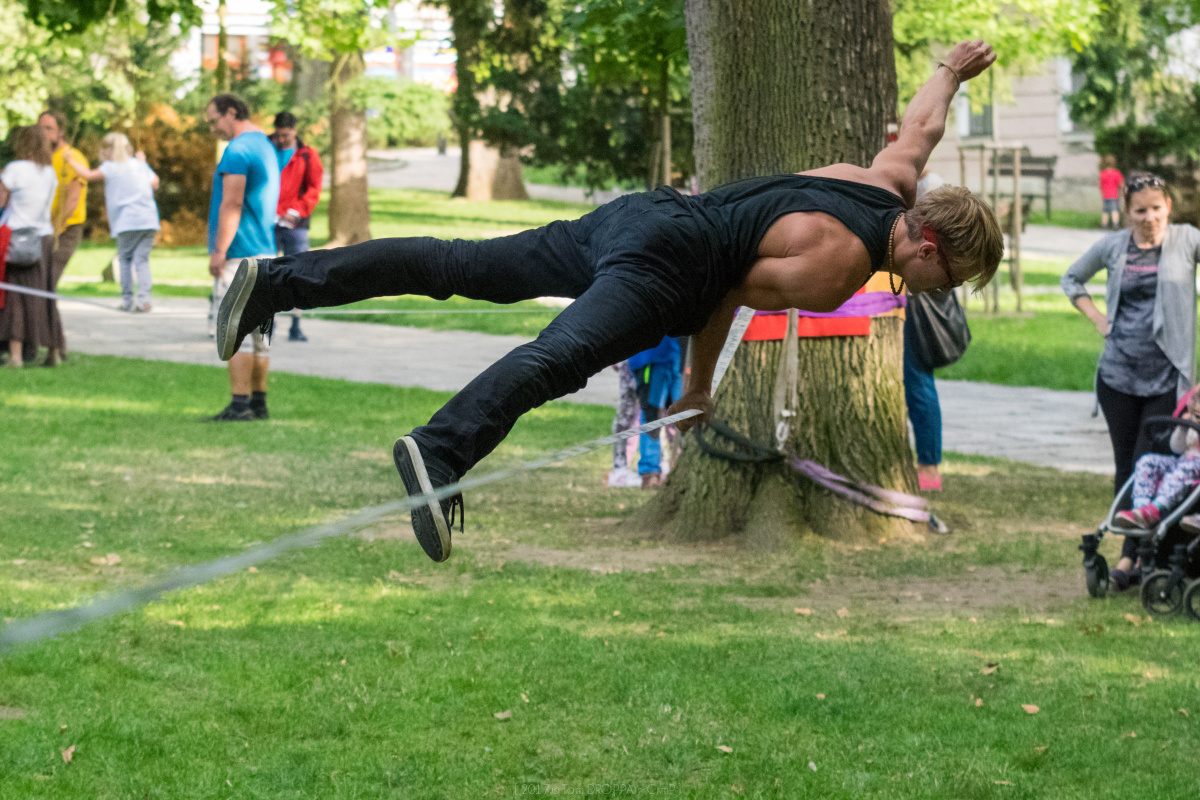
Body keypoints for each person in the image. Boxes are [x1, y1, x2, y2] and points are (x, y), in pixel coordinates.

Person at [215, 40, 1002, 563]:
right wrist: (698, 387)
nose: (942, 292)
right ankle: (441, 449)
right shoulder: (839, 268)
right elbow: (724, 296)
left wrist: (951, 71)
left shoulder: (886, 182)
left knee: (461, 263)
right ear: (930, 246)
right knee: (560, 358)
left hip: (640, 214)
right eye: (951, 278)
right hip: (667, 268)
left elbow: (920, 125)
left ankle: (275, 283)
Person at [1061, 172, 1200, 591]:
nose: (1149, 218)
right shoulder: (1114, 246)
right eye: (1140, 211)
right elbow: (1072, 278)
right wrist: (1097, 318)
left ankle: (1137, 556)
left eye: (1156, 209)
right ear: (1127, 212)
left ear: (1168, 207)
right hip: (1118, 378)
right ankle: (1133, 556)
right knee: (1127, 465)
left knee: (1148, 460)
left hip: (1166, 381)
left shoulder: (1186, 240)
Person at [205, 94, 281, 422]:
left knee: (235, 330)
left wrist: (219, 250)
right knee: (261, 334)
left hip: (239, 254)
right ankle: (259, 402)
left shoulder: (236, 150)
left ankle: (239, 405)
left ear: (231, 112)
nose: (212, 129)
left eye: (214, 121)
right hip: (266, 251)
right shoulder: (266, 146)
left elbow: (232, 203)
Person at [63, 133, 161, 312]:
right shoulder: (139, 164)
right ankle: (144, 300)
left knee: (125, 260)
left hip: (127, 221)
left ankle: (127, 301)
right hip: (149, 220)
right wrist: (144, 163)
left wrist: (70, 160)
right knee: (142, 261)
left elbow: (88, 175)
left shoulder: (111, 167)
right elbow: (155, 182)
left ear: (109, 150)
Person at [904, 167, 950, 491]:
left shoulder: (930, 187)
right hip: (906, 293)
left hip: (916, 297)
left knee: (917, 378)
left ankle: (929, 468)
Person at [0, 126, 59, 368]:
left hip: (17, 237)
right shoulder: (50, 173)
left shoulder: (15, 169)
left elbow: (1, 198)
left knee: (15, 295)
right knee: (44, 295)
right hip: (43, 238)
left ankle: (15, 356)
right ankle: (52, 351)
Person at [1113, 384, 1200, 529]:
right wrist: (1183, 427)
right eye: (1197, 415)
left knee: (1187, 465)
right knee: (1148, 461)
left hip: (1193, 468)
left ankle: (1156, 509)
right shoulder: (1192, 426)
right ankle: (1140, 507)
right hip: (1184, 462)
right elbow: (1177, 449)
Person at [270, 111, 323, 342]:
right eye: (278, 135)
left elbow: (314, 188)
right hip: (269, 221)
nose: (282, 139)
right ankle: (268, 322)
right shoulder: (266, 149)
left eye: (286, 135)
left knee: (297, 274)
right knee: (268, 273)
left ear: (294, 131)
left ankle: (295, 325)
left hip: (295, 223)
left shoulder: (307, 155)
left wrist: (297, 210)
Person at [628, 336, 683, 488]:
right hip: (651, 358)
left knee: (683, 414)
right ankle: (650, 472)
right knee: (651, 415)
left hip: (675, 356)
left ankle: (682, 465)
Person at [41, 111, 87, 291]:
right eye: (40, 128)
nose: (43, 132)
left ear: (61, 132)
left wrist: (56, 228)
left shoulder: (72, 157)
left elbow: (72, 200)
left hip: (66, 228)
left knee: (48, 281)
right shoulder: (41, 158)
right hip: (44, 227)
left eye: (48, 128)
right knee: (39, 283)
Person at [1099, 155, 1123, 231]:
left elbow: (1101, 186)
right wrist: (1121, 192)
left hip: (1105, 195)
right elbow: (1121, 184)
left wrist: (1103, 193)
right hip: (1114, 195)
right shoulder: (1117, 173)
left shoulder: (1102, 174)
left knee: (1105, 211)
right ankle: (1115, 225)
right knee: (1114, 210)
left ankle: (1104, 225)